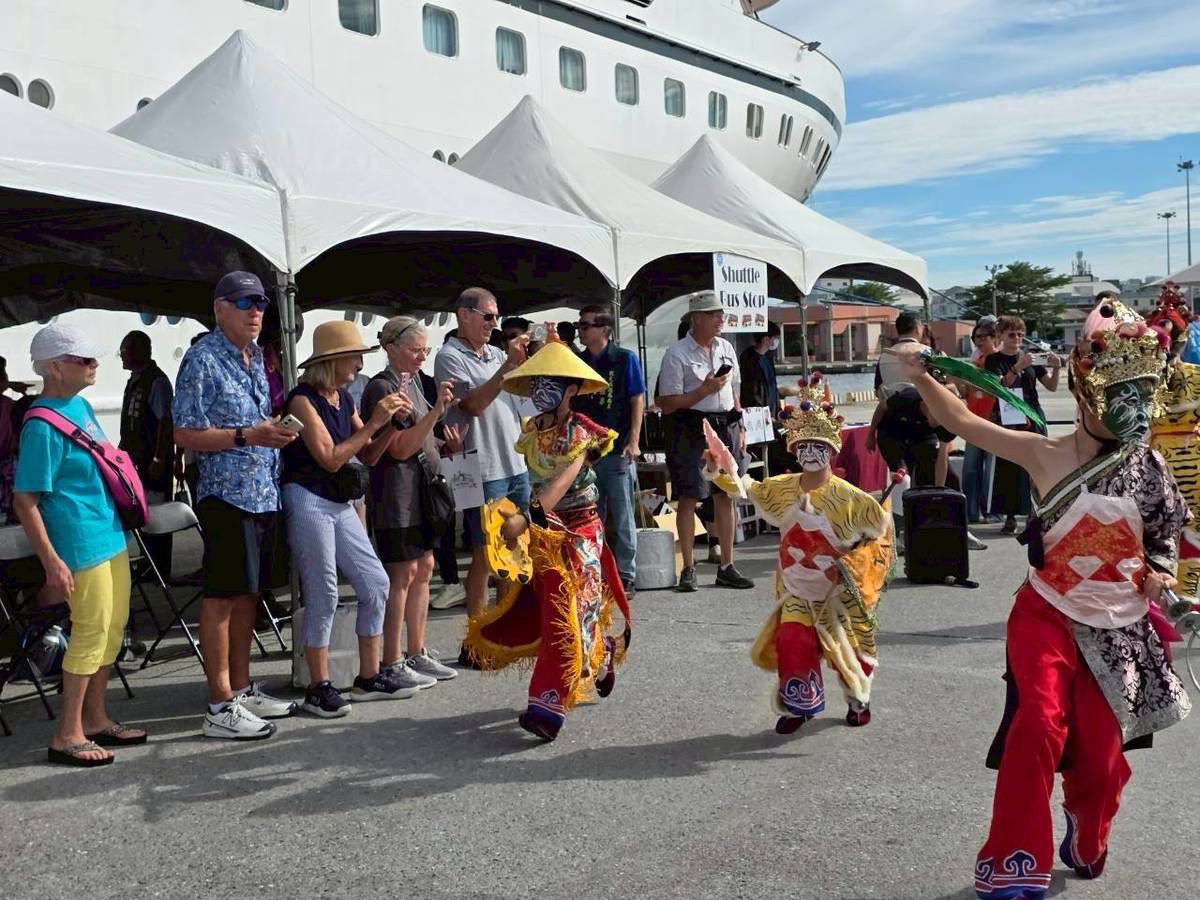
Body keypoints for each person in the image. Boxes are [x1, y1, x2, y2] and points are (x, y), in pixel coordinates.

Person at [897, 298, 1191, 897]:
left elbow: (1163, 536)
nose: (1127, 413)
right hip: (1047, 614)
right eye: (1116, 396)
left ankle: (1087, 820)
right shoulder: (1044, 453)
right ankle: (1013, 859)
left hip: (1119, 625)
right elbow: (965, 423)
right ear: (1087, 391)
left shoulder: (1148, 466)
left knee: (1104, 759)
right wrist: (921, 374)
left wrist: (1160, 573)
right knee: (1039, 724)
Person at [463, 333, 632, 741]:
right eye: (535, 384)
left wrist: (525, 517)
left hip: (580, 531)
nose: (540, 393)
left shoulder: (582, 433)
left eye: (549, 385)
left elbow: (559, 484)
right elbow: (531, 479)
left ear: (571, 390)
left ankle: (547, 703)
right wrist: (506, 517)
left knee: (579, 611)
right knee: (558, 612)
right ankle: (584, 669)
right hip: (544, 533)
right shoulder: (531, 429)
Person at [705, 376, 893, 734]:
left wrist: (852, 566)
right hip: (795, 587)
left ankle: (858, 697)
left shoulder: (852, 498)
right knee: (792, 638)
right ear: (794, 448)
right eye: (803, 444)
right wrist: (718, 468)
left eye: (817, 445)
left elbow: (880, 535)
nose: (810, 452)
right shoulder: (783, 487)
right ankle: (800, 702)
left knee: (849, 652)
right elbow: (746, 489)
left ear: (831, 449)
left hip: (839, 591)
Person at [173, 271, 300, 740]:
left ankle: (242, 689)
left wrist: (272, 430)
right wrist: (249, 435)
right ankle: (219, 704)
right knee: (223, 595)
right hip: (226, 493)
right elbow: (185, 433)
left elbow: (253, 421)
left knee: (250, 593)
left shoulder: (252, 359)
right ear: (219, 308)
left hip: (261, 490)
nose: (256, 312)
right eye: (244, 302)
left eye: (261, 303)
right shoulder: (202, 360)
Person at [14, 323, 147, 766]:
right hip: (78, 539)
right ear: (54, 367)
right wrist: (51, 560)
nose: (94, 365)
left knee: (113, 628)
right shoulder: (41, 425)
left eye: (94, 357)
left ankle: (94, 717)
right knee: (90, 630)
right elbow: (26, 499)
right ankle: (66, 733)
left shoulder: (81, 405)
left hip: (107, 531)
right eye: (83, 359)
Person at [282, 321, 417, 717]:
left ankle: (369, 676)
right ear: (334, 360)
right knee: (323, 591)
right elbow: (330, 457)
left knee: (376, 583)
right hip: (307, 497)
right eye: (355, 357)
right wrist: (376, 422)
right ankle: (318, 686)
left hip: (338, 499)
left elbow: (369, 455)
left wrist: (391, 424)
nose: (359, 365)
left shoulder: (342, 396)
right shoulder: (302, 401)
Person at [362, 316, 463, 690]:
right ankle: (392, 658)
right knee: (401, 574)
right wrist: (437, 412)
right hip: (396, 496)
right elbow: (401, 448)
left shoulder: (415, 383)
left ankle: (416, 649)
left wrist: (444, 444)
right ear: (391, 349)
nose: (422, 357)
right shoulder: (383, 388)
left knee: (425, 566)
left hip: (420, 491)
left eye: (426, 350)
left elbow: (421, 442)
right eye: (415, 350)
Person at [433, 287, 531, 665]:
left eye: (497, 317)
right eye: (487, 317)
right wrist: (507, 368)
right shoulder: (448, 356)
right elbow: (472, 404)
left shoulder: (495, 354)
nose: (494, 324)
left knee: (514, 551)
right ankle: (475, 639)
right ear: (464, 316)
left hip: (513, 462)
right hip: (477, 465)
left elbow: (523, 401)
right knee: (483, 554)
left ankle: (505, 630)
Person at [656, 291, 755, 592]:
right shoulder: (677, 354)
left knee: (726, 494)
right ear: (695, 318)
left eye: (720, 314)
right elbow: (666, 402)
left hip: (723, 425)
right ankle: (688, 568)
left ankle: (727, 565)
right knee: (689, 497)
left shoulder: (726, 347)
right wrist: (703, 389)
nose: (720, 319)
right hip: (688, 427)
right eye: (713, 315)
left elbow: (734, 390)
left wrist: (740, 425)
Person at [572, 303, 646, 592]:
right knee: (592, 514)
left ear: (604, 329)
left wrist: (634, 440)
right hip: (585, 451)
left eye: (585, 325)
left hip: (616, 449)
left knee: (622, 513)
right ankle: (595, 571)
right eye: (579, 325)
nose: (580, 330)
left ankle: (626, 574)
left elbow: (636, 398)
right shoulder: (578, 362)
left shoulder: (624, 358)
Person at [984, 316, 1061, 535]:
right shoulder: (994, 360)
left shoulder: (1031, 358)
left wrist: (1055, 368)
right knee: (1008, 466)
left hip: (1032, 413)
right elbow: (999, 386)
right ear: (1000, 336)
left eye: (1020, 334)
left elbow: (1052, 386)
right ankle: (1009, 515)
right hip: (1009, 416)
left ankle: (1034, 513)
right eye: (1011, 334)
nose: (1016, 338)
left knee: (1036, 465)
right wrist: (1018, 367)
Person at [118, 331, 174, 576]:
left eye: (125, 350)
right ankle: (148, 560)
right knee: (142, 510)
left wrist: (158, 458)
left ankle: (160, 566)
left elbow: (165, 421)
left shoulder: (157, 382)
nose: (122, 356)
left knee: (157, 512)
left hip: (152, 460)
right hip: (135, 459)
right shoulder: (135, 380)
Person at [961, 319, 999, 524]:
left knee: (990, 471)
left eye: (985, 336)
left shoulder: (998, 361)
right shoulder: (975, 362)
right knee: (971, 468)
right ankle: (971, 512)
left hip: (992, 421)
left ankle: (990, 511)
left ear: (994, 338)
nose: (980, 340)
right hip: (973, 420)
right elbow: (967, 392)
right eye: (977, 337)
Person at [738, 321, 800, 412]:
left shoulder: (768, 358)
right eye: (775, 338)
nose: (777, 341)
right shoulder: (749, 358)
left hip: (772, 410)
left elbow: (773, 387)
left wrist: (778, 410)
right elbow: (752, 391)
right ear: (766, 339)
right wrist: (763, 413)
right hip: (757, 412)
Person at [874, 311, 924, 400]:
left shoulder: (884, 356)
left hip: (892, 409)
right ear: (917, 329)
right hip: (921, 408)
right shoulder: (926, 351)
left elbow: (878, 389)